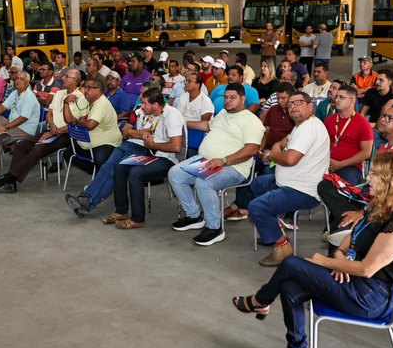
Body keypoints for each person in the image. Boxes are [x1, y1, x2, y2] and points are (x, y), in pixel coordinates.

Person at [232, 152, 393, 348]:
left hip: (370, 297)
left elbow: (367, 269)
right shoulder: (381, 204)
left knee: (291, 264)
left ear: (391, 181)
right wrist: (339, 258)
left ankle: (261, 300)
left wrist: (327, 261)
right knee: (289, 286)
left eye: (374, 174)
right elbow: (353, 234)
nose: (367, 178)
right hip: (355, 277)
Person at [66, 87, 184, 223]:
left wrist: (135, 133)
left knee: (116, 168)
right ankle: (89, 200)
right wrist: (137, 133)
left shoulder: (166, 114)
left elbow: (157, 138)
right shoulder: (139, 110)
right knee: (108, 166)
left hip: (146, 149)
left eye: (144, 100)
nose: (140, 100)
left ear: (155, 103)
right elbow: (124, 130)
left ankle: (87, 199)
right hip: (131, 143)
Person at [168, 83, 264, 246]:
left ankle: (215, 228)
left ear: (243, 99)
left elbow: (251, 149)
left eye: (233, 98)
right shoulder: (223, 114)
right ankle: (193, 216)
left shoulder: (251, 121)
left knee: (204, 182)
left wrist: (224, 160)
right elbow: (207, 125)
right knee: (175, 174)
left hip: (233, 167)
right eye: (226, 97)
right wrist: (185, 122)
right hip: (206, 161)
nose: (228, 101)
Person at [320, 104, 393, 242]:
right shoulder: (384, 147)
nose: (383, 119)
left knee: (343, 226)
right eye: (384, 115)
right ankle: (352, 223)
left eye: (389, 118)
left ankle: (353, 227)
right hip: (379, 200)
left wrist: (363, 211)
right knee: (326, 186)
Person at [244, 91, 331, 266]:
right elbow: (282, 144)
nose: (293, 106)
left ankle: (282, 246)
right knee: (258, 184)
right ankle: (276, 229)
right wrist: (276, 148)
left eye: (298, 102)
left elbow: (290, 159)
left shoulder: (310, 127)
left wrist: (270, 155)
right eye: (290, 104)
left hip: (303, 190)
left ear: (310, 106)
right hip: (288, 182)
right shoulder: (300, 126)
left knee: (256, 207)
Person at [0, 69, 84, 193]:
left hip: (67, 135)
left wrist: (56, 131)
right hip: (52, 130)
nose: (63, 78)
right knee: (21, 146)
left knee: (38, 149)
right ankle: (11, 182)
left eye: (67, 76)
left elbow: (75, 123)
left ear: (75, 81)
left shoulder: (80, 98)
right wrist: (51, 125)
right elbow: (49, 113)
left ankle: (9, 177)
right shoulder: (60, 93)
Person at [61, 75, 123, 175]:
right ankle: (93, 170)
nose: (85, 90)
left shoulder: (102, 103)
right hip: (88, 142)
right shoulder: (84, 100)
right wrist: (66, 103)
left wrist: (80, 121)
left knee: (99, 160)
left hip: (107, 142)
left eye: (88, 87)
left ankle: (98, 180)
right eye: (85, 87)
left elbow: (90, 125)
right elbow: (70, 120)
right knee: (67, 154)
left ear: (98, 90)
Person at [0, 71, 41, 179]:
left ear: (28, 82)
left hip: (24, 129)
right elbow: (3, 106)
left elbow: (23, 118)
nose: (18, 80)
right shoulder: (15, 93)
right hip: (12, 124)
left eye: (22, 79)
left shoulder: (29, 96)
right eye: (17, 78)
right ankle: (2, 134)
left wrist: (6, 127)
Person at [324, 84, 374, 185]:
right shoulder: (329, 120)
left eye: (341, 97)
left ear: (352, 100)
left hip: (350, 167)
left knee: (339, 189)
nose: (336, 100)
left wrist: (341, 164)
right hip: (326, 163)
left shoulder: (363, 124)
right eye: (336, 96)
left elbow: (366, 153)